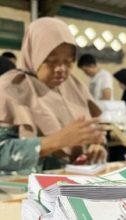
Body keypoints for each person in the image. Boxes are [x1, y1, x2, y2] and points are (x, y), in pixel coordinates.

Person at [0, 17, 107, 175]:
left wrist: (94, 148)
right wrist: (54, 142)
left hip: (70, 183)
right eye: (51, 61)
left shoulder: (75, 87)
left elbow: (91, 133)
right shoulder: (10, 88)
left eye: (69, 61)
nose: (61, 69)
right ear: (34, 53)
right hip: (22, 191)